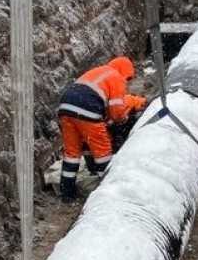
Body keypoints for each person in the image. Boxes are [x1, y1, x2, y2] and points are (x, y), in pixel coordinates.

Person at [57, 56, 147, 202]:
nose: (127, 81)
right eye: (128, 78)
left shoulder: (99, 72)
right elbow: (117, 112)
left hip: (65, 108)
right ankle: (106, 191)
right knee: (103, 152)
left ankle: (67, 193)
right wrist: (122, 119)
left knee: (72, 154)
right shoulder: (117, 77)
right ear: (125, 71)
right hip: (88, 109)